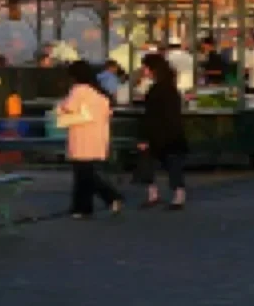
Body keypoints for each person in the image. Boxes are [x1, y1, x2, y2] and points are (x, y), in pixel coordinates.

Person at [59, 60, 122, 219]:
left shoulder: (79, 90)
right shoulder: (99, 92)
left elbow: (68, 107)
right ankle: (82, 208)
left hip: (82, 137)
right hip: (98, 137)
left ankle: (109, 198)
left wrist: (60, 106)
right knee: (86, 174)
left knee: (83, 175)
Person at [135, 54, 188, 210]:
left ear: (152, 69)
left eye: (145, 67)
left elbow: (151, 115)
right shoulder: (170, 88)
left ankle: (155, 194)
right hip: (171, 133)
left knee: (150, 164)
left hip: (159, 133)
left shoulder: (157, 89)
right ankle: (177, 196)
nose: (143, 70)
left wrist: (144, 136)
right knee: (172, 165)